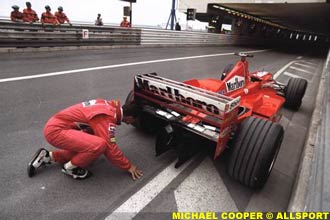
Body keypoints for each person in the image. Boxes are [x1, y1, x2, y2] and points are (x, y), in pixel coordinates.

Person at [27, 99, 143, 180]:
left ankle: (48, 156)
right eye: (134, 120)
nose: (132, 123)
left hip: (56, 125)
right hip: (56, 131)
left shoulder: (108, 105)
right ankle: (70, 168)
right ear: (130, 117)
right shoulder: (107, 118)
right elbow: (110, 148)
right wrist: (128, 166)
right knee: (99, 145)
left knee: (89, 144)